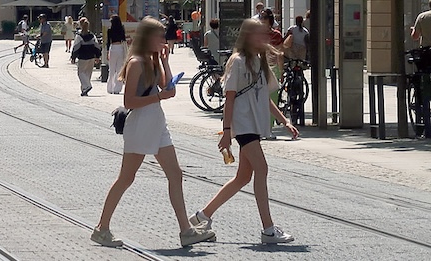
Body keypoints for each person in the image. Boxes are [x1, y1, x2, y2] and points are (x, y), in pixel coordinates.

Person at [92, 17, 216, 248]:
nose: (164, 41)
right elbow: (129, 101)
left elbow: (166, 84)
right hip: (140, 122)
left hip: (156, 121)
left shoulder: (151, 59)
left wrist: (164, 61)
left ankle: (186, 230)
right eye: (160, 37)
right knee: (126, 178)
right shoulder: (136, 62)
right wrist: (159, 95)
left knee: (175, 174)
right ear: (149, 38)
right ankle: (102, 228)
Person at [188, 19, 300, 244]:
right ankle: (268, 230)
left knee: (242, 177)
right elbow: (229, 98)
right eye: (260, 35)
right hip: (243, 124)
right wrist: (227, 131)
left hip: (252, 125)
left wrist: (284, 121)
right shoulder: (237, 62)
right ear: (249, 37)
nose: (265, 39)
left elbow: (265, 98)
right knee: (262, 169)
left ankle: (203, 215)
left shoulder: (259, 62)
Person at [71, 18, 99, 96]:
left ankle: (87, 86)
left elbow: (76, 47)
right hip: (91, 57)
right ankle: (84, 89)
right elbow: (96, 46)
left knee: (81, 73)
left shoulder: (79, 36)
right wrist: (97, 56)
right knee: (88, 73)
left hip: (82, 56)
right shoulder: (92, 35)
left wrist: (73, 57)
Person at [106, 14, 126, 95]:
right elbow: (123, 39)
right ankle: (117, 88)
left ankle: (110, 88)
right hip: (120, 48)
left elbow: (108, 42)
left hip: (113, 48)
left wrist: (107, 52)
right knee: (119, 69)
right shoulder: (121, 29)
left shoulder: (110, 30)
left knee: (111, 69)